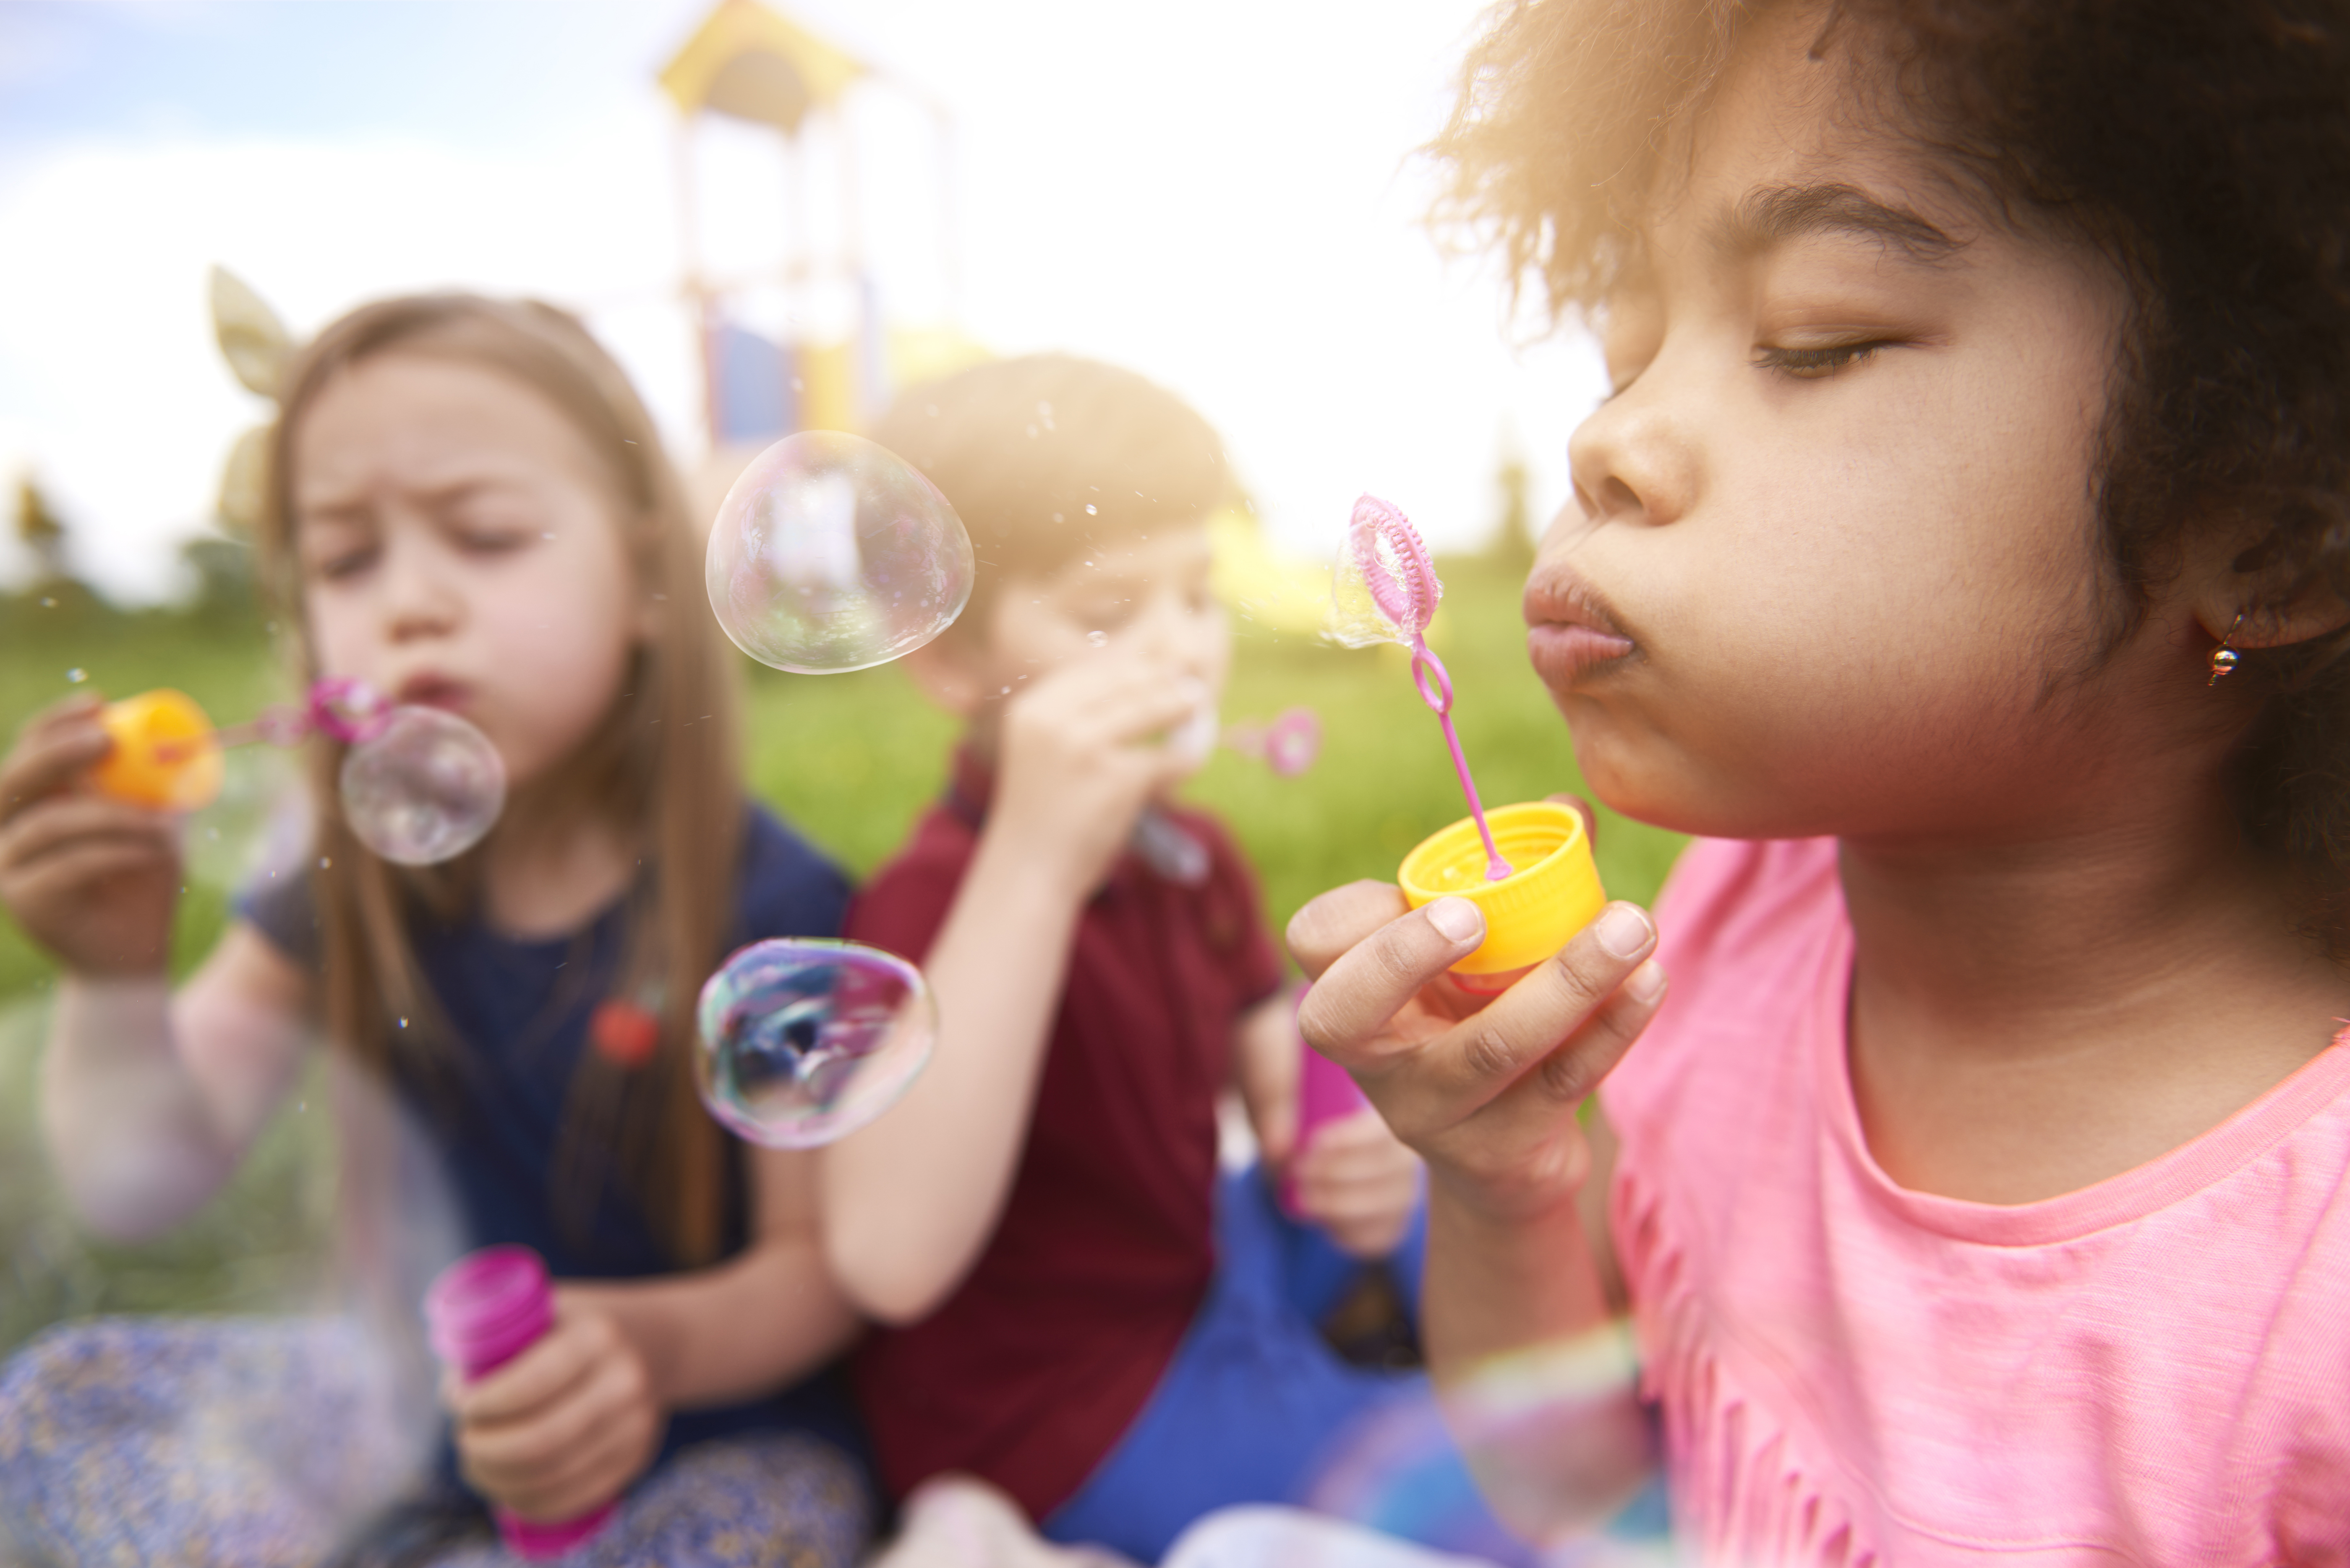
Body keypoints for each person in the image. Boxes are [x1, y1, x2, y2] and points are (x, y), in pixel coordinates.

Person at [1286, 0, 2350, 1560]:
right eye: (1629, 349)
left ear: (2265, 535)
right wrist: (1505, 1177)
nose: (1615, 439)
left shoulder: (2308, 1291)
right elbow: (1570, 1493)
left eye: (1816, 337)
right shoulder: (1745, 916)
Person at [0, 295, 870, 1566]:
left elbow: (819, 1270)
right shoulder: (345, 882)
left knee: (781, 1517)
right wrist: (115, 977)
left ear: (643, 581)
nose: (409, 603)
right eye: (347, 562)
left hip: (699, 1425)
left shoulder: (771, 901)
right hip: (410, 1404)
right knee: (58, 1398)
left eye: (487, 535)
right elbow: (143, 1173)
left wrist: (646, 1348)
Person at [823, 355, 1464, 1565]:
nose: (1181, 650)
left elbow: (1290, 1097)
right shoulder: (935, 897)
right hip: (1064, 1401)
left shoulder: (1192, 855)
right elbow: (888, 1261)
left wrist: (1354, 1146)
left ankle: (1515, 1367)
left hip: (1207, 1264)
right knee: (1456, 1484)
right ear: (950, 663)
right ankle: (977, 1530)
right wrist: (1036, 861)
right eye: (1112, 613)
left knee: (1442, 1174)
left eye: (1198, 596)